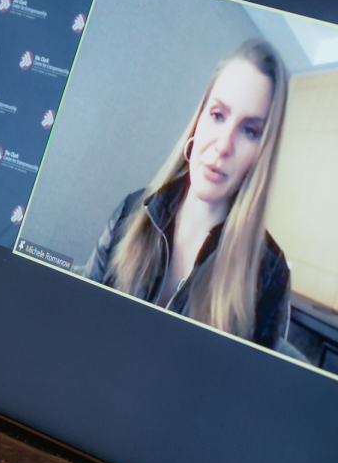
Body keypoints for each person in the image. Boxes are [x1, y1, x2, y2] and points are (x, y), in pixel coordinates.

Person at [83, 39, 291, 349]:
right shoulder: (131, 212)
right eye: (218, 115)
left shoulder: (268, 273)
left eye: (249, 130)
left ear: (263, 154)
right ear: (199, 119)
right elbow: (78, 322)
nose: (223, 145)